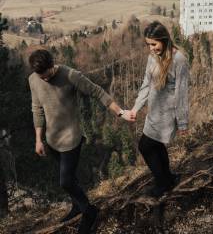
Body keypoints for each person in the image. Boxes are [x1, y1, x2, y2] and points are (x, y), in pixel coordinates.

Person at [28, 49, 134, 234]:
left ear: (53, 65)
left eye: (47, 75)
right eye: (41, 76)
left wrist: (120, 112)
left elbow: (98, 92)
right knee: (71, 180)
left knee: (65, 181)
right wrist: (38, 139)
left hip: (71, 138)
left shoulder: (70, 75)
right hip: (52, 140)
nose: (45, 79)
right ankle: (77, 206)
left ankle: (89, 211)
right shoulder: (34, 80)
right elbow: (37, 109)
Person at [131, 21, 189, 198]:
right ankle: (168, 178)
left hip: (167, 115)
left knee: (145, 146)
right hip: (153, 113)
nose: (151, 48)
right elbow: (146, 85)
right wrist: (136, 108)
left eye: (154, 44)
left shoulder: (179, 60)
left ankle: (163, 184)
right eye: (148, 44)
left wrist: (183, 123)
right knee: (156, 146)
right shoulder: (152, 57)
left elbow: (182, 94)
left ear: (164, 39)